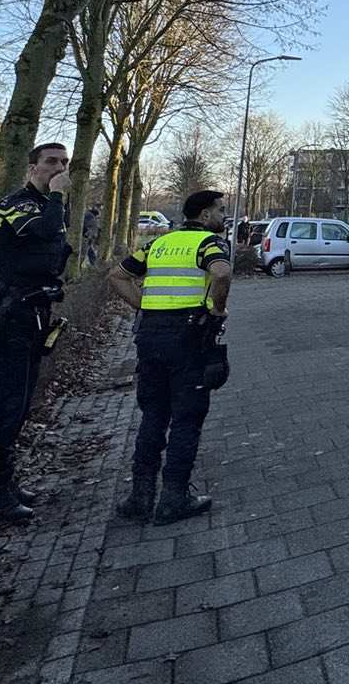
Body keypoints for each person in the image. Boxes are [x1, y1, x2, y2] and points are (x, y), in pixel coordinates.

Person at [108, 189, 233, 524]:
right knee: (187, 418)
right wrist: (218, 310)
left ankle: (140, 496)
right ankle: (174, 497)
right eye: (220, 211)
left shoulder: (158, 245)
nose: (224, 216)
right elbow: (221, 273)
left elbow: (117, 276)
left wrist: (143, 304)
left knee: (153, 415)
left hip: (150, 336)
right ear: (205, 216)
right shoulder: (209, 243)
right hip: (189, 337)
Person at [0, 142, 73, 525]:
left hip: (33, 310)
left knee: (20, 402)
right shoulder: (16, 204)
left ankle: (5, 482)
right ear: (32, 168)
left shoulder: (47, 205)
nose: (59, 169)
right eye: (51, 162)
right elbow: (43, 233)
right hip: (11, 314)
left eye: (64, 163)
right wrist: (59, 195)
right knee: (5, 404)